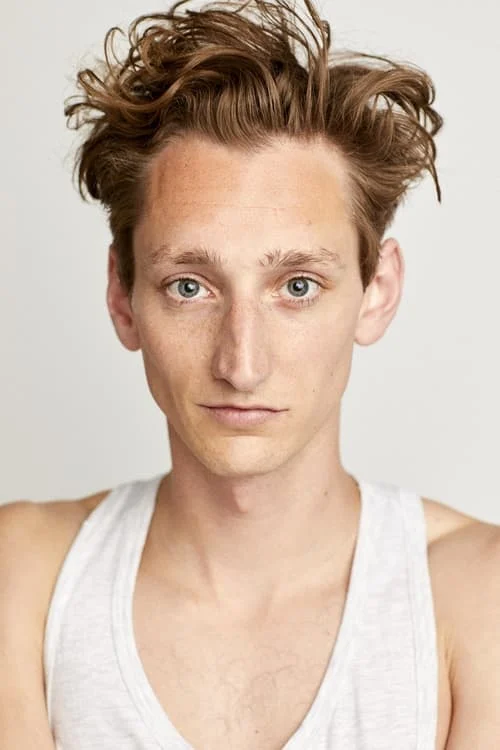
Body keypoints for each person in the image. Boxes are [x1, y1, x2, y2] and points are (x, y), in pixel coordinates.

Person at [1, 0, 499, 748]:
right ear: (122, 297)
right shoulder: (23, 579)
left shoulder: (478, 595)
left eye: (297, 286)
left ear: (377, 292)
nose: (241, 363)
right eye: (189, 287)